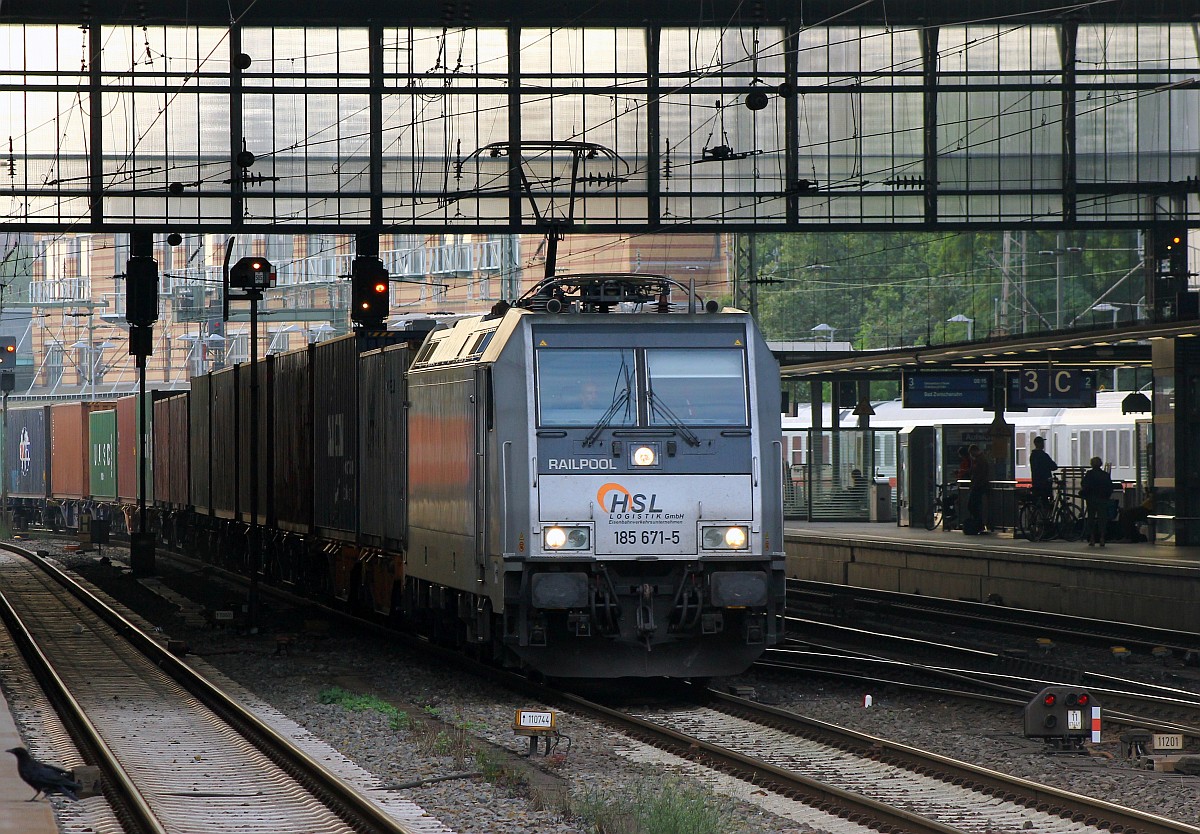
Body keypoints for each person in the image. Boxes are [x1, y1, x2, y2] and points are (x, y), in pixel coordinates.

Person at [1080, 456, 1115, 546]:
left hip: (1091, 499)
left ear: (1091, 464)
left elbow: (1084, 484)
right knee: (1102, 519)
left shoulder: (1089, 474)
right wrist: (1106, 497)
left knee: (1091, 518)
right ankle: (1102, 538)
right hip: (1102, 499)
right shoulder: (1105, 475)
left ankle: (1092, 538)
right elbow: (1110, 487)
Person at [966, 444, 991, 534]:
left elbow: (979, 474)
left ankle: (978, 524)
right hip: (979, 485)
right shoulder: (978, 459)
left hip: (979, 486)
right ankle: (978, 524)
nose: (971, 455)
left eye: (971, 453)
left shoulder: (980, 460)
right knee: (976, 506)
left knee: (972, 505)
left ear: (974, 451)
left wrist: (975, 483)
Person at [1028, 436, 1058, 507]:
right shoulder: (1043, 455)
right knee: (1046, 502)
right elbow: (1054, 466)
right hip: (1045, 483)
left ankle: (1038, 515)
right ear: (1039, 444)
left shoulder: (1032, 455)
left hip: (1036, 482)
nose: (1043, 444)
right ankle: (1046, 516)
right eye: (1042, 442)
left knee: (1038, 502)